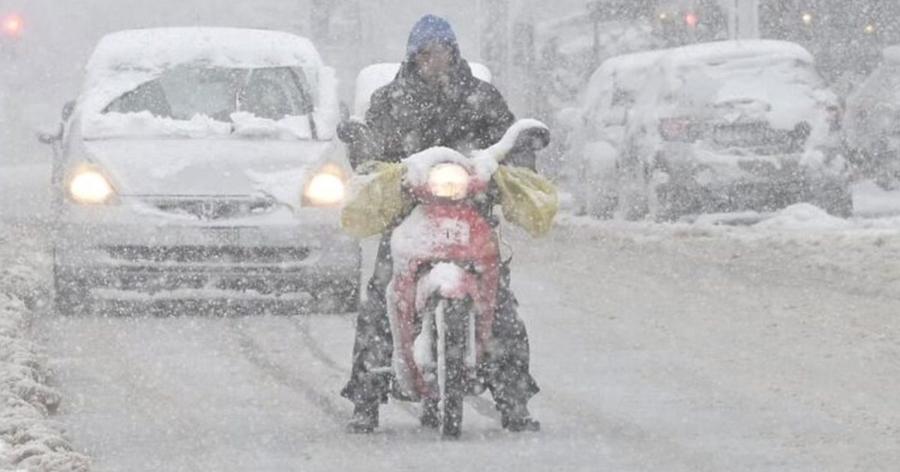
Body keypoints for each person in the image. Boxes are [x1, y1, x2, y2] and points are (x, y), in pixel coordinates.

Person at [340, 14, 541, 433]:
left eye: (442, 52)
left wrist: (516, 156)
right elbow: (371, 150)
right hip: (407, 216)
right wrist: (365, 151)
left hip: (471, 214)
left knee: (501, 303)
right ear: (413, 57)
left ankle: (514, 399)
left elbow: (506, 139)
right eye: (426, 53)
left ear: (454, 53)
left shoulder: (481, 96)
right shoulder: (389, 100)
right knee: (380, 299)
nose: (435, 60)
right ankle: (365, 398)